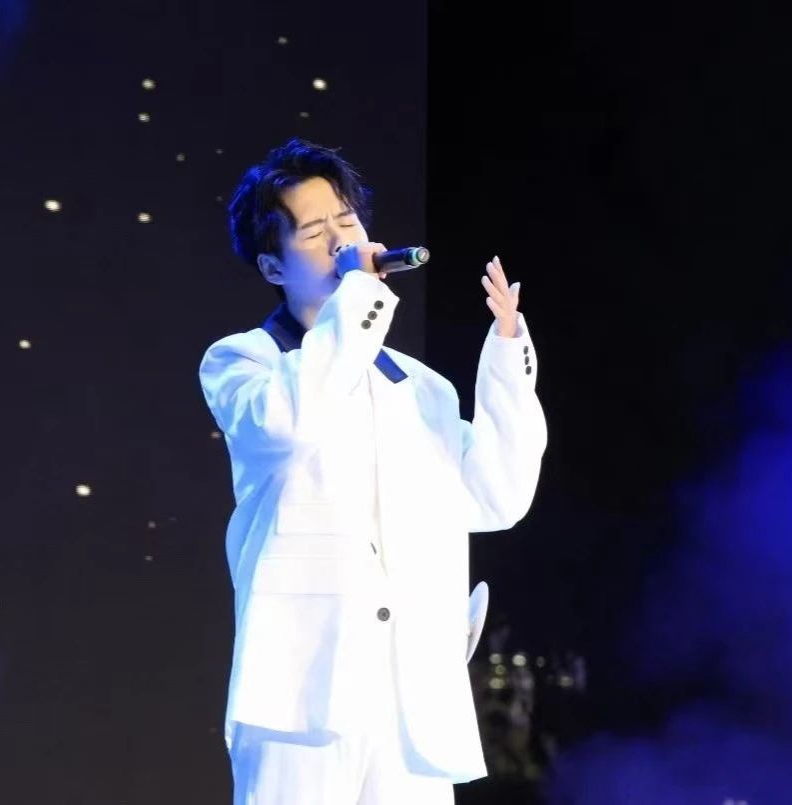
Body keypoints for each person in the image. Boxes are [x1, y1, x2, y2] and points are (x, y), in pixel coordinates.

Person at [198, 138, 547, 804]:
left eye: (348, 222)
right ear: (272, 265)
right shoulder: (245, 362)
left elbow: (495, 497)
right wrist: (357, 292)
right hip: (305, 697)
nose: (340, 242)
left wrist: (507, 357)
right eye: (314, 232)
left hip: (412, 705)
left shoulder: (421, 388)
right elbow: (290, 424)